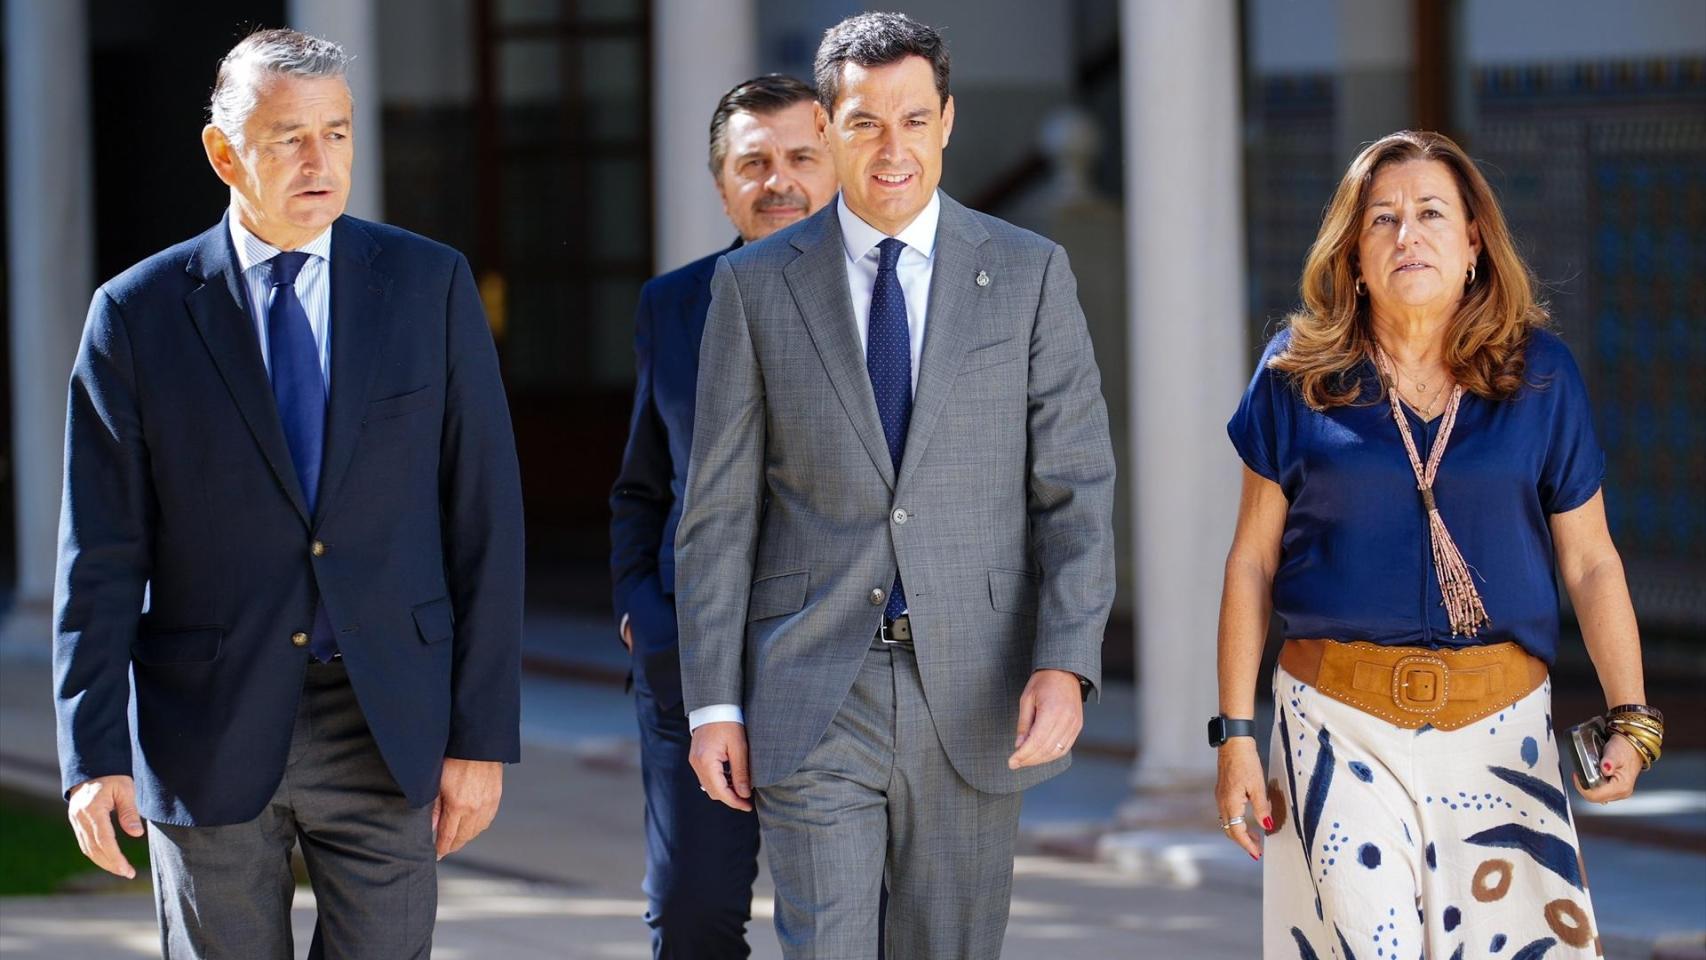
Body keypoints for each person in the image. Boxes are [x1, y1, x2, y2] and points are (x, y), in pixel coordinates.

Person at [53, 28, 524, 959]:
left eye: (338, 133)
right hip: (209, 724)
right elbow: (101, 552)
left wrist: (482, 736)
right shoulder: (136, 315)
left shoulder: (427, 285)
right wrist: (92, 753)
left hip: (387, 719)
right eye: (289, 139)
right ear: (224, 153)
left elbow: (484, 519)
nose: (322, 161)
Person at [675, 12, 1116, 958]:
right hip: (809, 685)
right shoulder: (754, 288)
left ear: (949, 120)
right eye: (866, 122)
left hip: (973, 688)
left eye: (914, 120)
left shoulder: (1030, 272)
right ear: (828, 128)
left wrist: (1065, 660)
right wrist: (713, 700)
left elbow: (1075, 489)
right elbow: (717, 512)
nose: (892, 149)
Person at [1211, 130, 1657, 958]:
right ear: (1353, 254)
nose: (1406, 236)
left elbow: (1591, 561)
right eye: (1381, 219)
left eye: (1429, 214)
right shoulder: (1295, 374)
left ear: (1474, 241)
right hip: (1336, 724)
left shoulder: (1543, 377)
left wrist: (1633, 714)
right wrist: (1236, 732)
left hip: (1502, 728)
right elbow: (1252, 561)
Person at [609, 72, 836, 956]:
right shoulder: (672, 305)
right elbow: (642, 484)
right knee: (690, 917)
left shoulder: (889, 304)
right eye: (753, 162)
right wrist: (641, 608)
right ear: (721, 183)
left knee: (842, 922)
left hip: (838, 666)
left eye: (800, 158)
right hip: (693, 666)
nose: (777, 180)